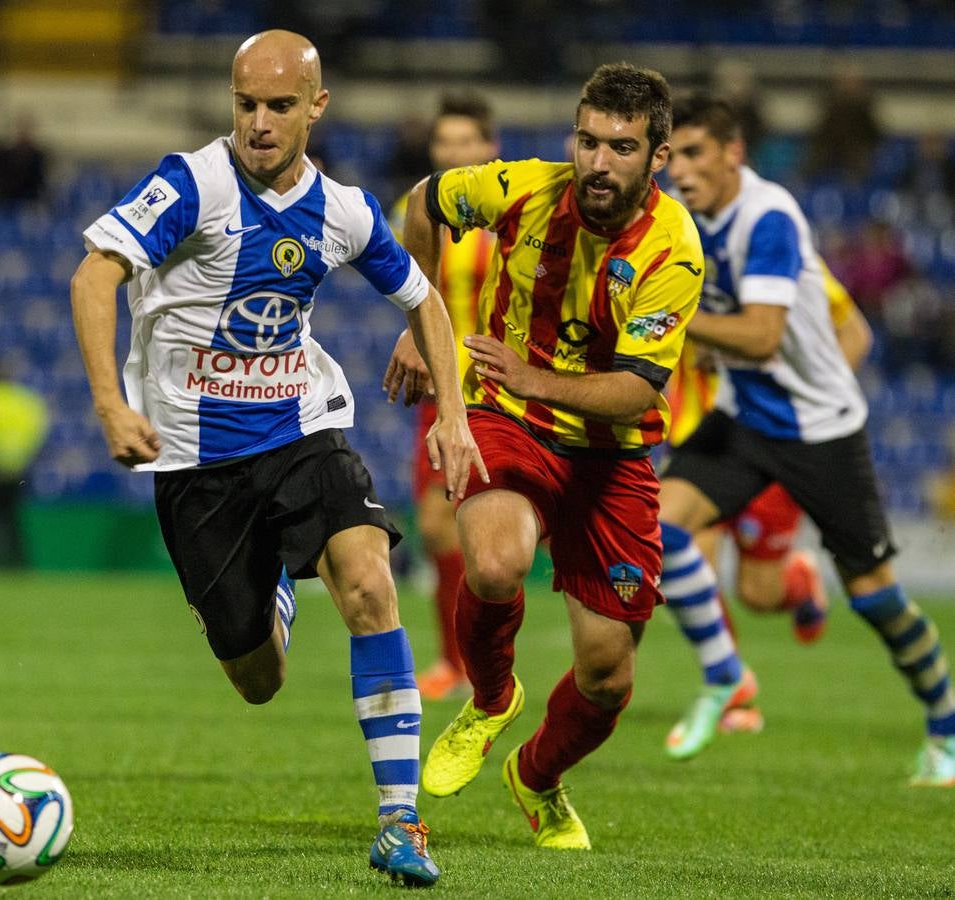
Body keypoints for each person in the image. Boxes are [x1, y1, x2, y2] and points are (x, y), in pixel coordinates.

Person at [69, 30, 488, 887]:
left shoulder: (345, 211)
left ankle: (400, 822)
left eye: (280, 106)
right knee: (258, 678)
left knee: (371, 582)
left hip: (302, 428)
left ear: (316, 108)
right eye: (245, 105)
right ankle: (276, 599)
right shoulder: (190, 185)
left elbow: (425, 300)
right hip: (194, 461)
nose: (259, 123)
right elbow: (93, 275)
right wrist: (111, 403)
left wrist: (453, 414)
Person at [386, 63, 703, 848]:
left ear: (656, 157)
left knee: (607, 675)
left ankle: (535, 776)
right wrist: (418, 314)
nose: (598, 163)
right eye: (588, 141)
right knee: (492, 565)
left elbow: (637, 392)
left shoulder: (675, 251)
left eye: (621, 148)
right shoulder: (524, 188)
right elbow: (426, 199)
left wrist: (535, 374)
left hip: (612, 458)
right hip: (510, 419)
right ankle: (491, 699)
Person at [657, 91, 955, 784]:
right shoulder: (688, 221)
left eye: (697, 154)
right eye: (674, 157)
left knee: (876, 596)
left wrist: (672, 319)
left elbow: (761, 337)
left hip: (821, 430)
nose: (683, 170)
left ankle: (945, 723)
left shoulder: (768, 217)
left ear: (733, 154)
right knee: (657, 527)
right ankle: (725, 676)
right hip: (743, 419)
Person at [663, 255, 872, 744]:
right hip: (703, 445)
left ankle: (799, 582)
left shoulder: (787, 257)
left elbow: (856, 335)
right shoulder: (678, 254)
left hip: (772, 445)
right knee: (690, 560)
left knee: (758, 594)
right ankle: (733, 688)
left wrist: (812, 407)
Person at [389, 93, 498, 701]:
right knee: (435, 527)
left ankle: (484, 662)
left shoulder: (509, 212)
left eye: (466, 142)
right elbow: (401, 281)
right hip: (440, 386)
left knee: (489, 535)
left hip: (500, 391)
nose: (454, 153)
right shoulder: (416, 207)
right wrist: (411, 333)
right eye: (443, 143)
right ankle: (453, 662)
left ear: (489, 149)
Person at [0, 360, 50, 569]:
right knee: (14, 522)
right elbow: (39, 430)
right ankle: (18, 565)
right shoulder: (26, 400)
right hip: (19, 470)